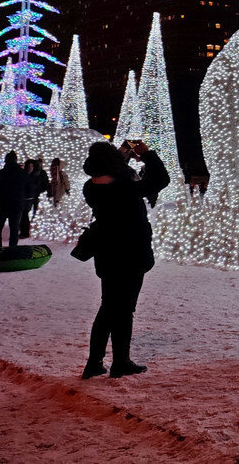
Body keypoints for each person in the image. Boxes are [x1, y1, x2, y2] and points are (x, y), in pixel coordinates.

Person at [80, 139, 170, 379]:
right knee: (123, 309)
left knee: (109, 307)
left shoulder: (91, 187)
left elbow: (109, 170)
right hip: (130, 255)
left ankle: (95, 362)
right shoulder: (124, 188)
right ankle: (120, 362)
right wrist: (147, 154)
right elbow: (161, 180)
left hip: (107, 255)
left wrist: (120, 154)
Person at [0, 151, 27, 248]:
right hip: (17, 205)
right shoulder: (22, 174)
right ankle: (12, 250)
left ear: (6, 161)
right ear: (16, 160)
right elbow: (29, 189)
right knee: (14, 229)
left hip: (1, 205)